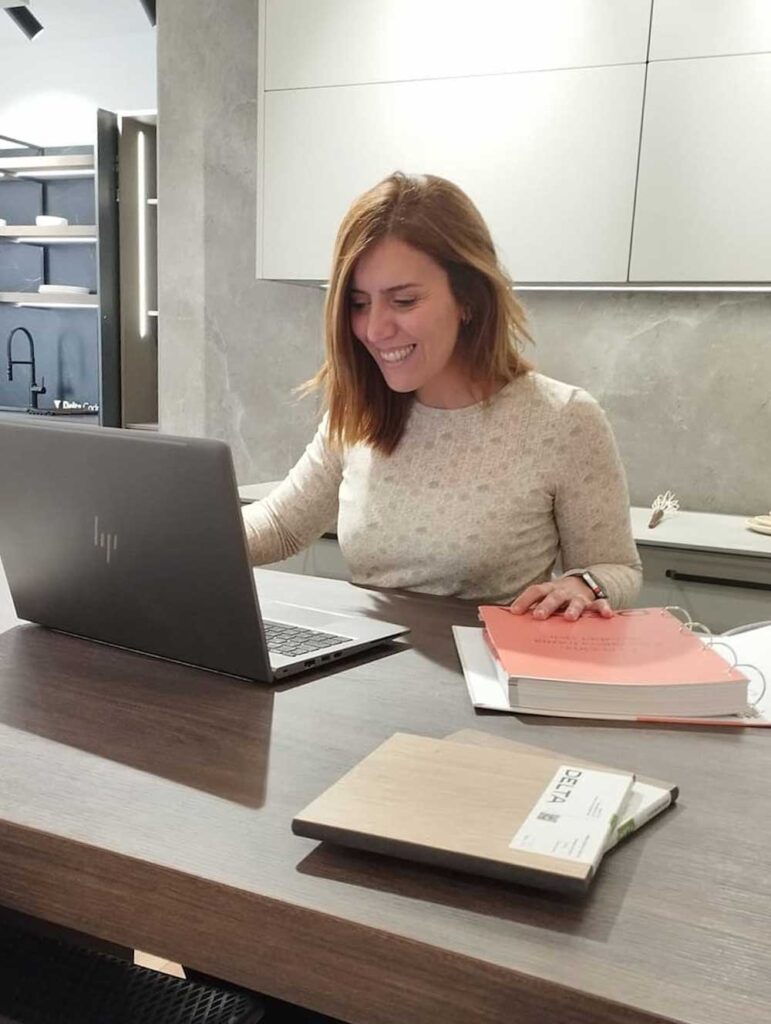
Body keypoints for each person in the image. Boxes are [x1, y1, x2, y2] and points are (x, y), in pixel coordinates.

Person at [244, 172, 641, 619]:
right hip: (368, 660)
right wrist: (190, 533)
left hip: (487, 660)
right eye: (359, 304)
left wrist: (584, 584)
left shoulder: (563, 418)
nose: (374, 329)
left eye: (404, 301)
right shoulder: (359, 411)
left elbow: (617, 567)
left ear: (467, 298)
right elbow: (280, 526)